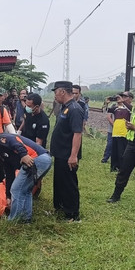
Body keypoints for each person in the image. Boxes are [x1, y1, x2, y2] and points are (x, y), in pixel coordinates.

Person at [0, 133, 52, 222]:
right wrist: (8, 197)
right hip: (43, 159)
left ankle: (14, 220)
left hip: (37, 158)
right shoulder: (4, 154)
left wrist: (24, 154)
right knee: (25, 190)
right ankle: (25, 218)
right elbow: (10, 176)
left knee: (16, 189)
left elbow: (14, 141)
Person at [49, 81, 83, 222]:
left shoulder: (74, 109)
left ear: (62, 91)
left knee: (69, 184)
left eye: (56, 92)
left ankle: (72, 214)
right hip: (60, 154)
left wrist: (73, 156)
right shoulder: (65, 107)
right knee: (60, 182)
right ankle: (60, 207)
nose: (55, 95)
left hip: (68, 155)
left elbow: (77, 133)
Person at [109, 94, 132, 172]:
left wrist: (124, 102)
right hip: (115, 132)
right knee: (114, 151)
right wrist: (106, 103)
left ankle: (122, 167)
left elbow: (131, 110)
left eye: (122, 97)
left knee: (122, 151)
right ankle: (114, 167)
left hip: (124, 132)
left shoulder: (128, 108)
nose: (119, 99)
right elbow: (106, 111)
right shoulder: (115, 108)